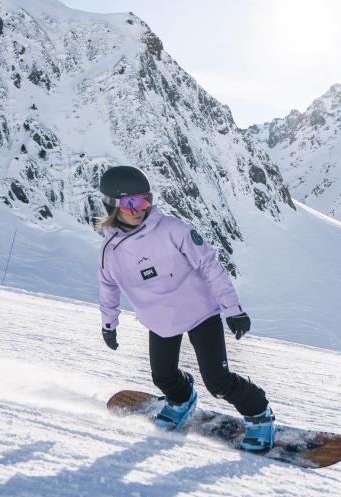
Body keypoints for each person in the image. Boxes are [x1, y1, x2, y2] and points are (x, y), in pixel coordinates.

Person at [97, 165, 275, 451]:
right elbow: (109, 287)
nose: (139, 209)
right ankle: (181, 400)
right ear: (113, 205)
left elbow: (209, 265)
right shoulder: (111, 251)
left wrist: (233, 309)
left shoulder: (172, 229)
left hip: (200, 311)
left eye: (145, 200)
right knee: (163, 377)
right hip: (160, 320)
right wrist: (109, 324)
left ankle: (259, 413)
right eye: (131, 203)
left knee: (218, 381)